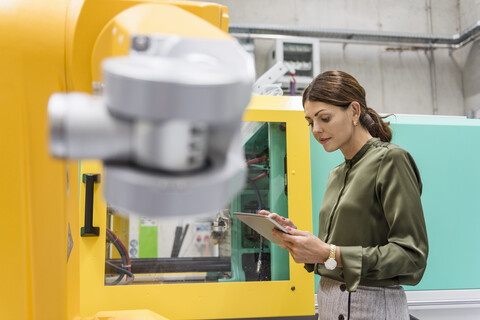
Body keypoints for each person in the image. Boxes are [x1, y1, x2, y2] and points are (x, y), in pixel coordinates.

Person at [259, 70, 428, 320]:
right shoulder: (336, 174)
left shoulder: (391, 160)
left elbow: (412, 256)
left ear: (354, 112)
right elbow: (333, 257)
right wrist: (301, 242)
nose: (316, 130)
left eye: (324, 118)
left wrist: (329, 253)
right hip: (329, 303)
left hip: (372, 307)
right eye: (310, 122)